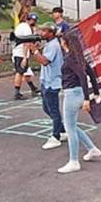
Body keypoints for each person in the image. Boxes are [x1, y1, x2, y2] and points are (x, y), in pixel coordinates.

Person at [58, 31, 101, 174]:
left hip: (72, 94)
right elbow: (91, 73)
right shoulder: (78, 57)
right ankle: (91, 148)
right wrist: (95, 91)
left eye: (62, 40)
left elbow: (83, 76)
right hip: (78, 93)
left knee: (69, 128)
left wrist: (87, 99)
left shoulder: (70, 58)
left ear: (65, 42)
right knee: (71, 125)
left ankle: (74, 161)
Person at [29, 22, 67, 150]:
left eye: (44, 31)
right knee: (47, 109)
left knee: (53, 110)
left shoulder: (53, 45)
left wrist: (34, 52)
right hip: (47, 81)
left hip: (52, 82)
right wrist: (38, 50)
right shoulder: (49, 44)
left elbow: (45, 61)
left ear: (51, 33)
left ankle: (56, 137)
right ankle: (62, 130)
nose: (41, 33)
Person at [12, 12, 41, 100]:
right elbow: (26, 42)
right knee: (20, 72)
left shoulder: (22, 25)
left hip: (19, 52)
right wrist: (24, 57)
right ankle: (16, 92)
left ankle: (33, 88)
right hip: (20, 53)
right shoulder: (26, 28)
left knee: (26, 72)